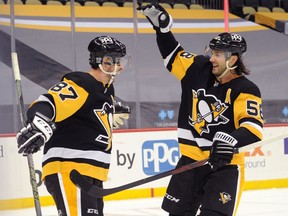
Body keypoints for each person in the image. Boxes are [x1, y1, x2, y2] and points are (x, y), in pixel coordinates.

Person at [137, 3, 264, 216]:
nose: (211, 58)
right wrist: (162, 29)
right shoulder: (197, 68)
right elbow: (173, 56)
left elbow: (252, 127)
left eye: (218, 54)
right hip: (189, 162)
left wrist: (230, 140)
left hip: (224, 165)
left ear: (232, 59)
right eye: (211, 52)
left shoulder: (246, 89)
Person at [16, 36, 131, 216]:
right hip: (71, 169)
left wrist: (108, 113)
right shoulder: (82, 82)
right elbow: (49, 102)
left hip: (90, 173)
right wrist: (39, 122)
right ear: (106, 62)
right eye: (119, 61)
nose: (122, 66)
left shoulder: (107, 91)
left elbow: (84, 111)